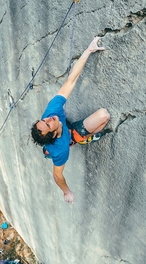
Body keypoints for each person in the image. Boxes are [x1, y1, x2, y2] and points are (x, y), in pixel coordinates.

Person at [30, 36, 110, 204]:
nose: (48, 119)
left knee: (104, 115)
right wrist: (66, 192)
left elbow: (71, 80)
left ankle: (79, 137)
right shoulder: (60, 152)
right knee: (103, 117)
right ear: (51, 135)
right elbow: (57, 175)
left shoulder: (52, 112)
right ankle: (81, 140)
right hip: (68, 139)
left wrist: (88, 50)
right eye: (47, 124)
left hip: (68, 130)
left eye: (43, 120)